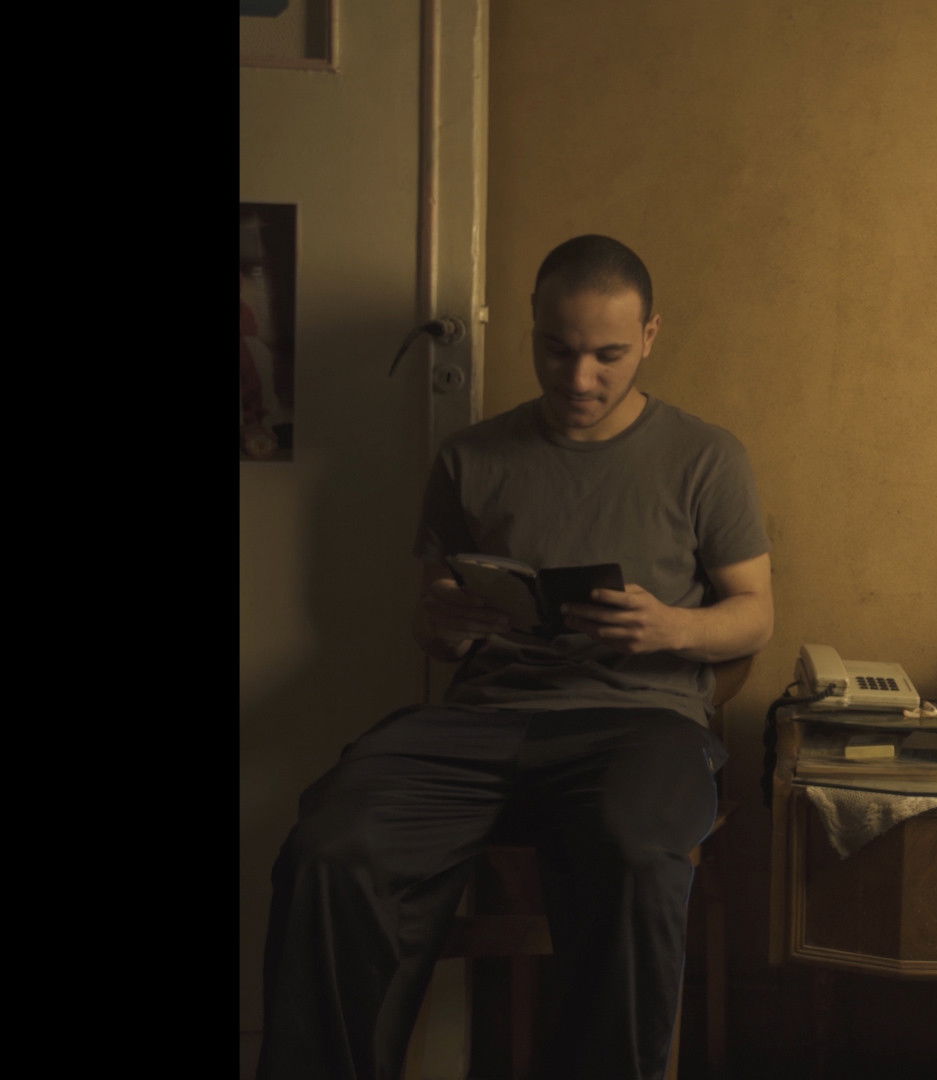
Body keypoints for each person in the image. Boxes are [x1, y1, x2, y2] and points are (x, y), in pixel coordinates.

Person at [258, 234, 774, 1079]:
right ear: (532, 327)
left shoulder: (705, 456)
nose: (580, 379)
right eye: (557, 350)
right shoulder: (470, 457)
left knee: (638, 854)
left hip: (637, 723)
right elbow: (434, 629)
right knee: (332, 847)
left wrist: (668, 628)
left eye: (608, 355)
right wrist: (447, 621)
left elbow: (754, 616)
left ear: (649, 336)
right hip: (480, 724)